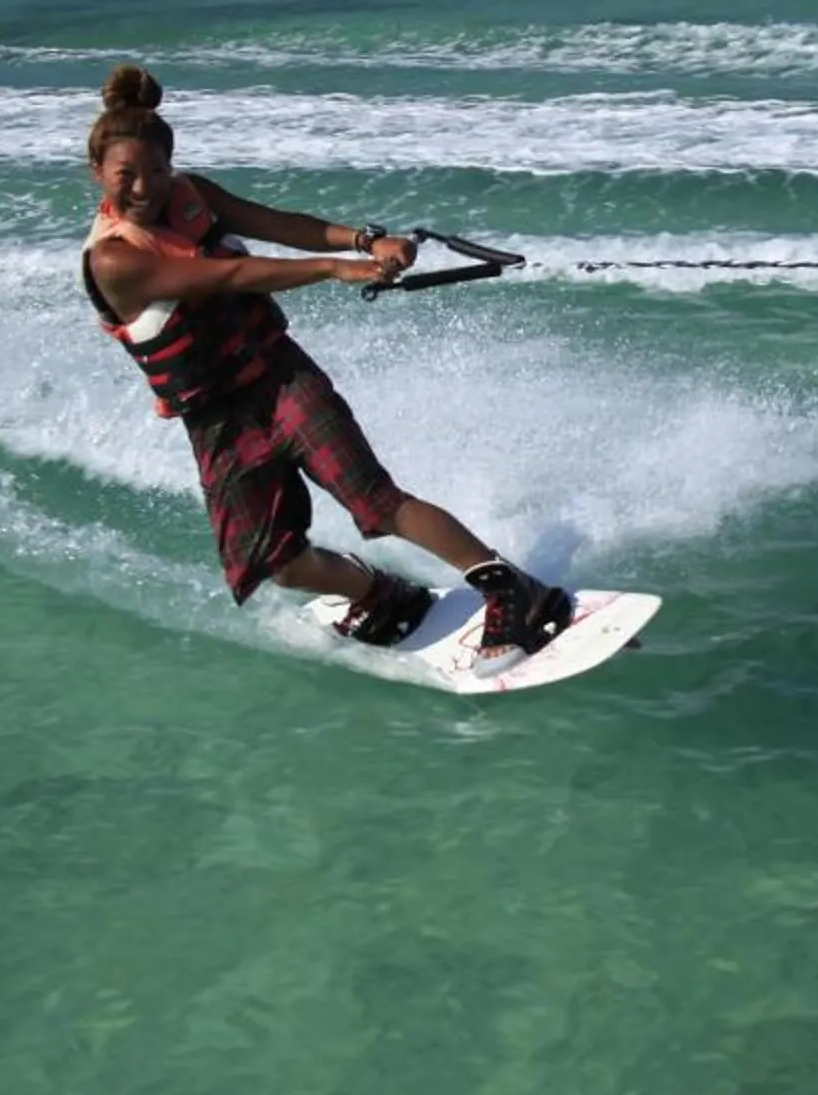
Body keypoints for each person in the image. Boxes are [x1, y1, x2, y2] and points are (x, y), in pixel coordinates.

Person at [79, 63, 575, 653]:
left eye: (156, 171)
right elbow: (230, 273)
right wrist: (334, 269)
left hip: (280, 377)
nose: (144, 188)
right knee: (276, 563)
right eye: (126, 176)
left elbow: (278, 225)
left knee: (376, 501)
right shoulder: (115, 260)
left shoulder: (193, 195)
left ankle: (514, 590)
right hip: (218, 418)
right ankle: (381, 595)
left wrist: (365, 242)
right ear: (97, 175)